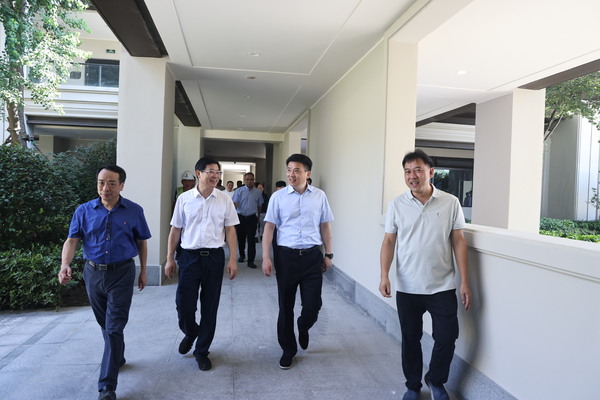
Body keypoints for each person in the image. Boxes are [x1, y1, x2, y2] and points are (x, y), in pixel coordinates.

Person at [379, 149, 471, 400]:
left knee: (447, 337)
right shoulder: (397, 205)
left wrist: (464, 281)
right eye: (407, 171)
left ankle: (436, 380)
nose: (412, 176)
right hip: (408, 286)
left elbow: (459, 241)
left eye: (418, 170)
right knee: (411, 339)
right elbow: (389, 241)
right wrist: (384, 275)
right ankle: (412, 385)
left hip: (442, 285)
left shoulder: (450, 202)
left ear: (431, 172)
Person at [58, 165, 151, 400]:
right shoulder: (84, 210)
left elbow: (141, 241)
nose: (105, 188)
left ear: (121, 185)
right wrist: (65, 264)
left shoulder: (134, 210)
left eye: (111, 183)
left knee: (114, 326)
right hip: (93, 273)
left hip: (122, 273)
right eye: (101, 182)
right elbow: (72, 240)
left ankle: (107, 386)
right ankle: (117, 355)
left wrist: (143, 271)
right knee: (105, 324)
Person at [165, 157, 239, 372]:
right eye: (211, 171)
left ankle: (202, 351)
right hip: (189, 257)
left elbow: (230, 230)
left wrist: (233, 258)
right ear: (199, 173)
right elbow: (175, 229)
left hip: (214, 258)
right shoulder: (185, 199)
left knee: (210, 306)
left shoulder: (224, 200)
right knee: (184, 304)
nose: (215, 176)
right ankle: (191, 331)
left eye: (218, 172)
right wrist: (169, 258)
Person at [261, 154, 334, 370]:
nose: (291, 174)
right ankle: (288, 350)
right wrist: (266, 257)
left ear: (307, 173)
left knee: (313, 305)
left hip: (312, 257)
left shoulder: (319, 196)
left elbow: (325, 226)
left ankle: (303, 325)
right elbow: (269, 228)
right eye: (289, 169)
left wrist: (329, 254)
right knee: (286, 307)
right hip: (286, 258)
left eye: (297, 170)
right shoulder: (278, 197)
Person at [232, 172, 263, 268]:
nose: (249, 181)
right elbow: (234, 204)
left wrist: (258, 217)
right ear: (244, 180)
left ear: (254, 180)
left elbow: (259, 205)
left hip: (252, 218)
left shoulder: (257, 192)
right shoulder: (239, 191)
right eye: (247, 179)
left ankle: (251, 261)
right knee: (241, 238)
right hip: (240, 217)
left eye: (251, 179)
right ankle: (242, 255)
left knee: (251, 240)